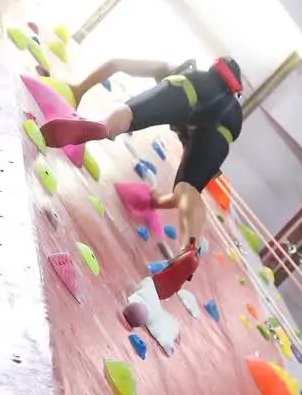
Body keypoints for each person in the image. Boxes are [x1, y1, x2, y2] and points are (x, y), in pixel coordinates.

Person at [39, 56, 243, 260]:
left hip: (187, 88)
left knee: (127, 115)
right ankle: (190, 248)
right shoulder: (227, 114)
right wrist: (155, 202)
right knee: (188, 190)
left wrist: (78, 89)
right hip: (224, 130)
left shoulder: (187, 72)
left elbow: (116, 64)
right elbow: (179, 198)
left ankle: (105, 126)